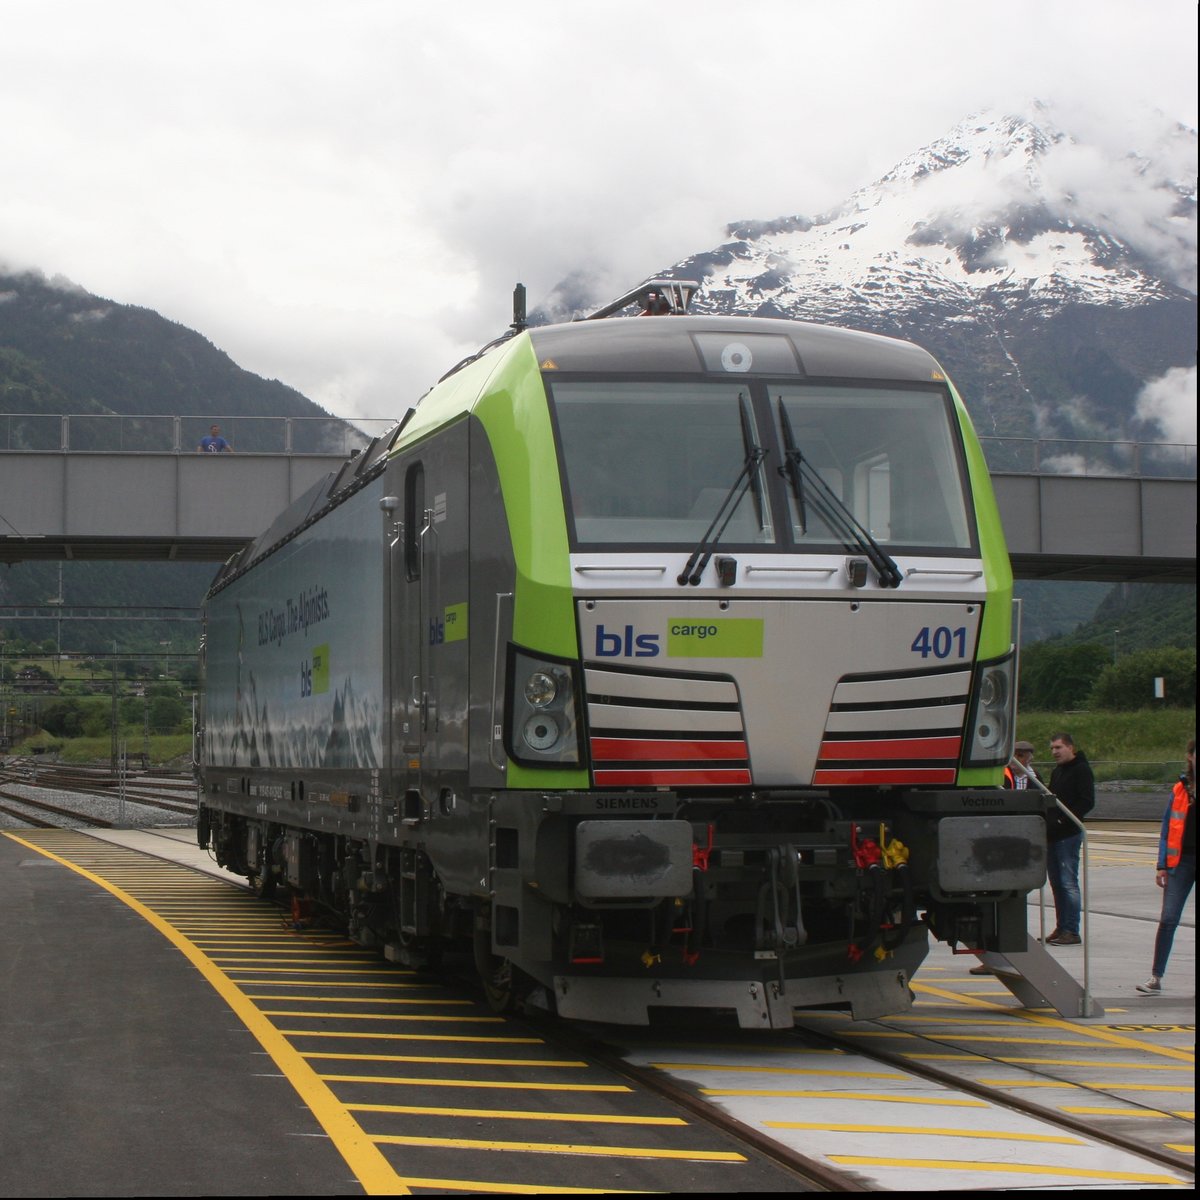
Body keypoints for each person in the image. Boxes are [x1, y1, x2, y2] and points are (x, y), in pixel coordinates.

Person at [1136, 738, 1195, 994]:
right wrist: (1161, 865)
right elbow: (1165, 829)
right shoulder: (1180, 789)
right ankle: (1155, 977)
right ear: (1190, 757)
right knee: (1169, 918)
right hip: (1180, 862)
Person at [1044, 732, 1095, 946]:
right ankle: (1061, 926)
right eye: (1052, 748)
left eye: (1058, 747)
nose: (1055, 752)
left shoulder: (1081, 770)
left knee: (1068, 882)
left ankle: (1072, 930)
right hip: (1052, 835)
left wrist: (1065, 821)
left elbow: (1087, 801)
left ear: (1070, 747)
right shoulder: (1058, 772)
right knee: (1056, 883)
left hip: (1068, 835)